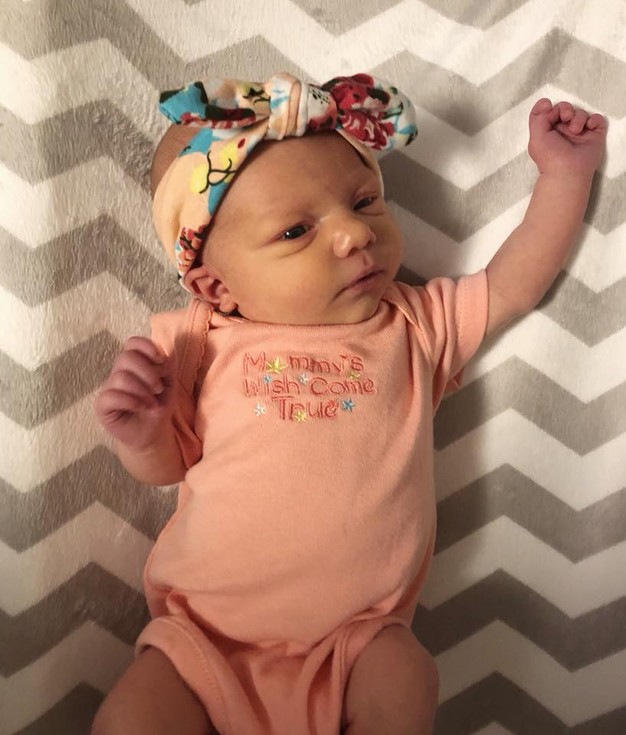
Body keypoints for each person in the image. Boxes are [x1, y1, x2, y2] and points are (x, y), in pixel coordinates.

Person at [91, 73, 606, 735]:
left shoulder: (412, 323)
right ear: (217, 287)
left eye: (364, 201)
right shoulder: (198, 343)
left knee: (407, 674)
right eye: (296, 231)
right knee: (131, 719)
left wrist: (564, 177)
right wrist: (143, 431)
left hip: (355, 643)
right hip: (204, 642)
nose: (354, 234)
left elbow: (509, 286)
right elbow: (167, 465)